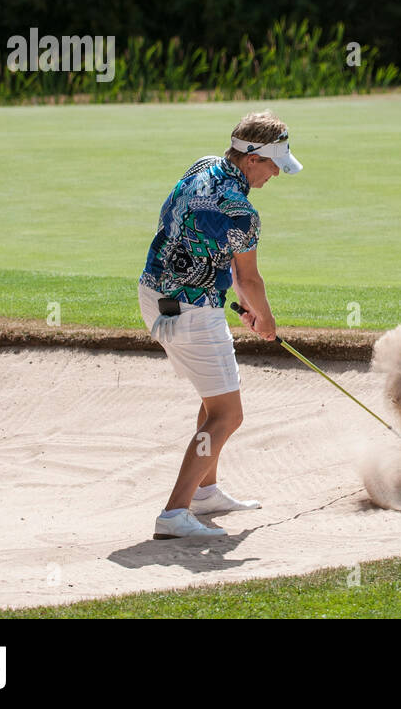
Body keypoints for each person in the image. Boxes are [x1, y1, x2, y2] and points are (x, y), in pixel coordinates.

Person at [137, 110, 302, 539]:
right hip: (191, 310)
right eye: (273, 164)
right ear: (252, 160)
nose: (276, 174)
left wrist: (240, 301)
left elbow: (205, 242)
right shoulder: (243, 213)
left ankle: (205, 492)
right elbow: (249, 278)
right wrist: (265, 321)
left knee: (214, 403)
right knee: (228, 415)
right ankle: (173, 514)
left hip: (155, 295)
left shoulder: (203, 166)